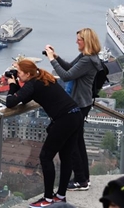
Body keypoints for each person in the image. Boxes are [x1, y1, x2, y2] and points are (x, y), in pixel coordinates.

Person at [5, 59, 82, 207]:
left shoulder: (32, 84)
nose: (18, 75)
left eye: (19, 73)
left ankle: (47, 200)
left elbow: (10, 102)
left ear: (28, 73)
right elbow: (22, 98)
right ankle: (60, 196)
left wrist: (12, 85)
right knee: (66, 157)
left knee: (45, 157)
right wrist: (15, 84)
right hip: (75, 114)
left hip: (64, 119)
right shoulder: (41, 78)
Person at [44, 27, 102, 191]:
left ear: (86, 41)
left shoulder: (87, 60)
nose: (76, 41)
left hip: (78, 104)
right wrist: (57, 57)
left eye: (79, 39)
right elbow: (70, 67)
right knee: (78, 141)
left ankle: (80, 180)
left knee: (72, 143)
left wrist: (51, 60)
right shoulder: (87, 56)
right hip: (83, 102)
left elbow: (66, 76)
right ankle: (84, 178)